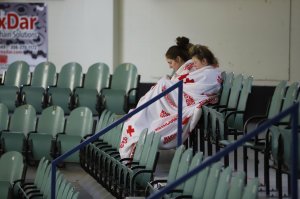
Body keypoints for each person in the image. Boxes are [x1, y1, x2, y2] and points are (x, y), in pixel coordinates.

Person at [119, 37, 222, 159]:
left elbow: (198, 88)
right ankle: (141, 116)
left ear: (204, 61)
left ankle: (141, 119)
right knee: (161, 86)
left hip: (185, 100)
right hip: (181, 96)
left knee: (163, 84)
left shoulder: (210, 73)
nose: (194, 66)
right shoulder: (204, 71)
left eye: (196, 63)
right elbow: (189, 83)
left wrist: (170, 85)